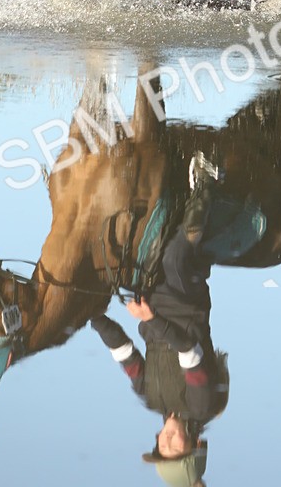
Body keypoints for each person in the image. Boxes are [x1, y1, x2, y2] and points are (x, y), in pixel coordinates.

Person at [91, 154, 226, 485]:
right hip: (184, 300)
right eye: (175, 449)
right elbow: (188, 350)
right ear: (194, 444)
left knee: (115, 258)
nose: (165, 441)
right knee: (174, 256)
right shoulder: (201, 406)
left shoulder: (149, 396)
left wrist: (92, 316)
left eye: (160, 447)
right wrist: (150, 318)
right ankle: (207, 182)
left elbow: (123, 352)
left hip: (148, 302)